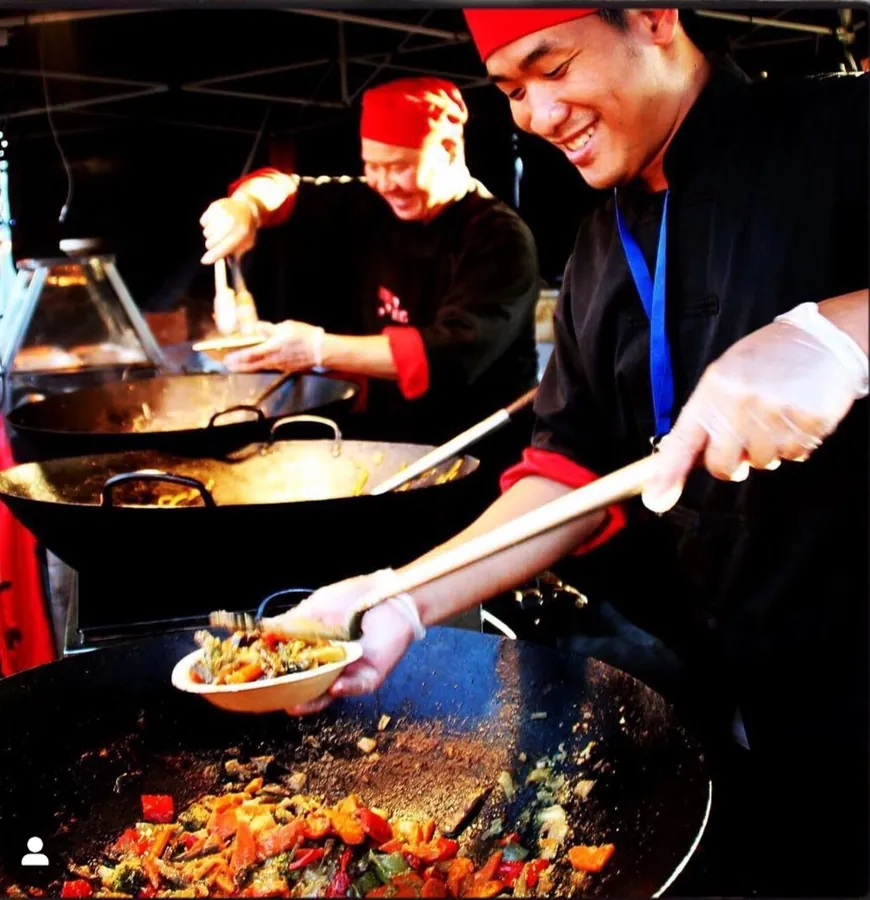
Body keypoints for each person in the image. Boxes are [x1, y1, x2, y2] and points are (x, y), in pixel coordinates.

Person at [268, 10, 868, 896]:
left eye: (552, 68)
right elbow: (565, 473)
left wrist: (845, 335)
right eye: (512, 90)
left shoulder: (840, 132)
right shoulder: (600, 248)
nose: (539, 115)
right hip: (738, 700)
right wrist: (400, 598)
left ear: (654, 17)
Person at [198, 76, 540, 449]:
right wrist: (245, 208)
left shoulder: (499, 237)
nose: (384, 182)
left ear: (448, 149)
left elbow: (447, 355)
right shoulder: (373, 203)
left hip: (478, 441)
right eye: (372, 165)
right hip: (389, 438)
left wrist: (316, 350)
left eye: (399, 166)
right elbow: (284, 188)